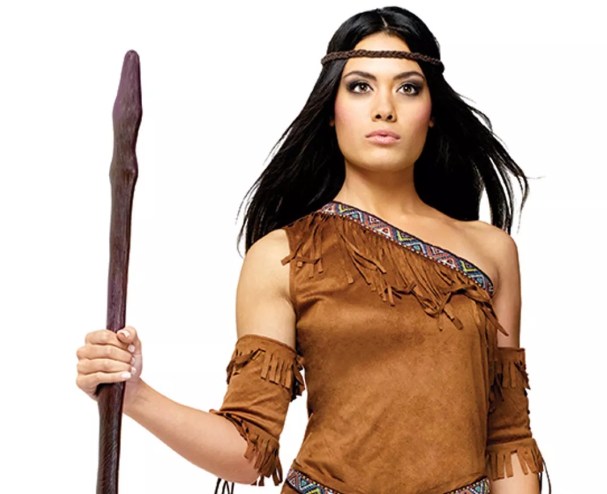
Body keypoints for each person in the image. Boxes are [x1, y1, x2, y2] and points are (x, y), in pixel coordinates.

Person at [76, 6, 549, 494]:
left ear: (432, 114)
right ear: (330, 109)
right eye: (360, 86)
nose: (384, 108)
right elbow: (249, 451)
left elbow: (507, 438)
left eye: (408, 88)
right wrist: (134, 394)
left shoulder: (491, 252)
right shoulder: (282, 256)